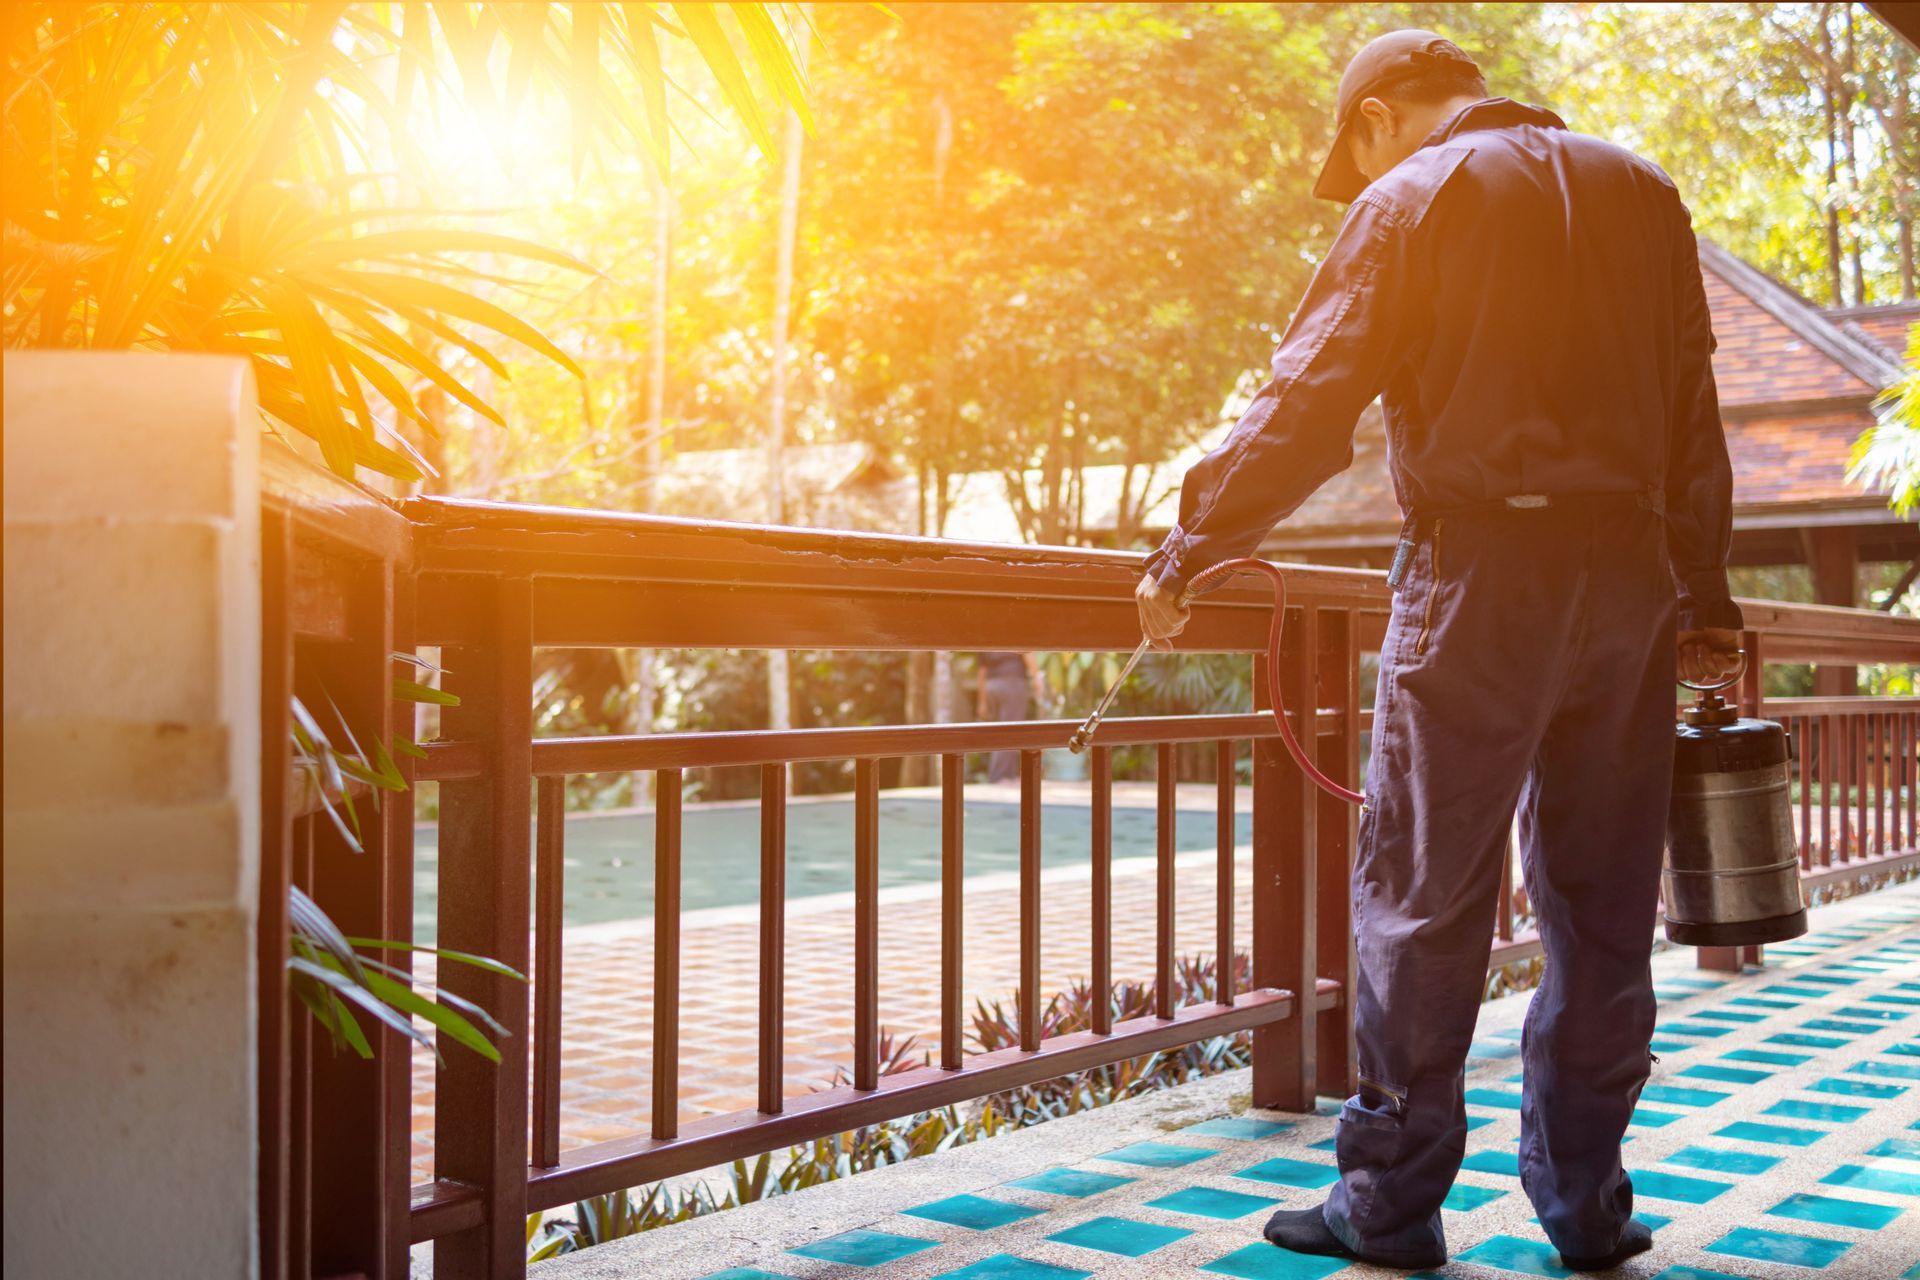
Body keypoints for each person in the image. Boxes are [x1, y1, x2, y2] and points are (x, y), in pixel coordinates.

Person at [1133, 29, 1744, 1274]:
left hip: (1478, 576)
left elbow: (1308, 402)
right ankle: (1588, 1205)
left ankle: (1390, 1203)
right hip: (1629, 582)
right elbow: (1692, 409)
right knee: (1603, 899)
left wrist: (1191, 544)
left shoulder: (1407, 200)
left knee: (1423, 895)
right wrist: (1710, 594)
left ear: (1374, 120)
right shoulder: (1644, 189)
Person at [977, 652, 1044, 782]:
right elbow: (1027, 652)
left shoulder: (985, 636)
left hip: (992, 686)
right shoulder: (1015, 632)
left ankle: (1003, 775)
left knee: (998, 732)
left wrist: (982, 702)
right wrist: (1037, 677)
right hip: (1012, 683)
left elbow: (982, 671)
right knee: (1011, 731)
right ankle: (1001, 776)